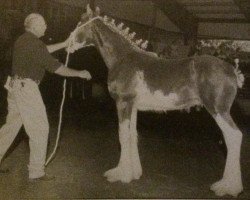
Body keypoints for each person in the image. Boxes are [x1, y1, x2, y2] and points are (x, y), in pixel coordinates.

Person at [0, 13, 91, 181]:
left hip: (14, 87)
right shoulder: (34, 44)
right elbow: (56, 68)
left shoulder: (23, 40)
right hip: (26, 89)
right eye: (42, 24)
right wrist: (80, 73)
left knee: (10, 127)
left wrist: (64, 43)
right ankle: (36, 171)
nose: (45, 27)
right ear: (33, 26)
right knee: (40, 129)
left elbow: (43, 50)